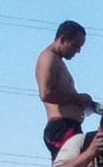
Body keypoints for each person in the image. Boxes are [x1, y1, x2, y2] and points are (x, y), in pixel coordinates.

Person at [36, 20, 96, 157]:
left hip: (70, 126)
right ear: (63, 39)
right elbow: (46, 94)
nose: (78, 51)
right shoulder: (48, 58)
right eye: (75, 46)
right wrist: (77, 98)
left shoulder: (57, 61)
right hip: (62, 127)